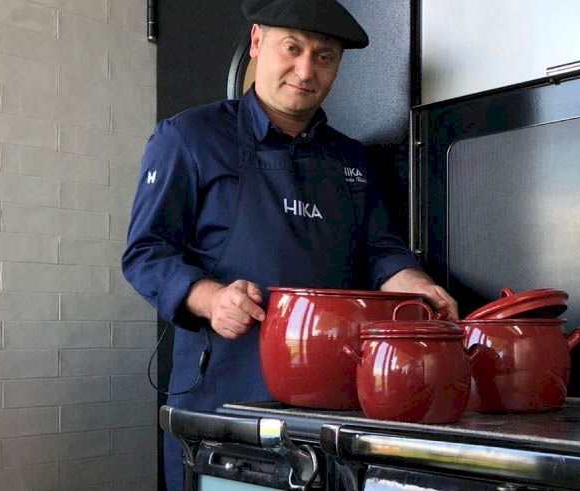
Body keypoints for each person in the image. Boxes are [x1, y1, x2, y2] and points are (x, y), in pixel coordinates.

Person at [121, 0, 458, 488]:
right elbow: (145, 253)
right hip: (224, 402)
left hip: (333, 408)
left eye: (324, 56)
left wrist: (414, 283)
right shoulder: (189, 137)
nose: (306, 70)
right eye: (293, 48)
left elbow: (381, 250)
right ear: (258, 42)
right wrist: (212, 298)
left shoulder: (351, 159)